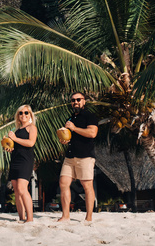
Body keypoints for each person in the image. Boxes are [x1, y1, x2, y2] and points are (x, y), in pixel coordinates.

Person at [58, 92, 98, 222]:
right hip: (70, 156)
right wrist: (64, 140)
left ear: (84, 101)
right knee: (63, 183)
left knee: (87, 185)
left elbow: (92, 133)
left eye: (78, 100)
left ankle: (89, 217)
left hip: (85, 156)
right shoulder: (70, 119)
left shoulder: (89, 116)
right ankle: (65, 216)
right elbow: (68, 136)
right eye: (73, 100)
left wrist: (74, 129)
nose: (75, 102)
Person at [2, 105, 38, 222]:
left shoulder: (31, 128)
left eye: (26, 113)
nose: (23, 115)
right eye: (21, 113)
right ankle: (21, 217)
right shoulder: (15, 130)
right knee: (17, 191)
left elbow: (30, 143)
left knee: (23, 189)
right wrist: (8, 147)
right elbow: (15, 146)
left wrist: (15, 139)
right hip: (15, 160)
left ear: (30, 115)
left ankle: (30, 218)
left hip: (25, 161)